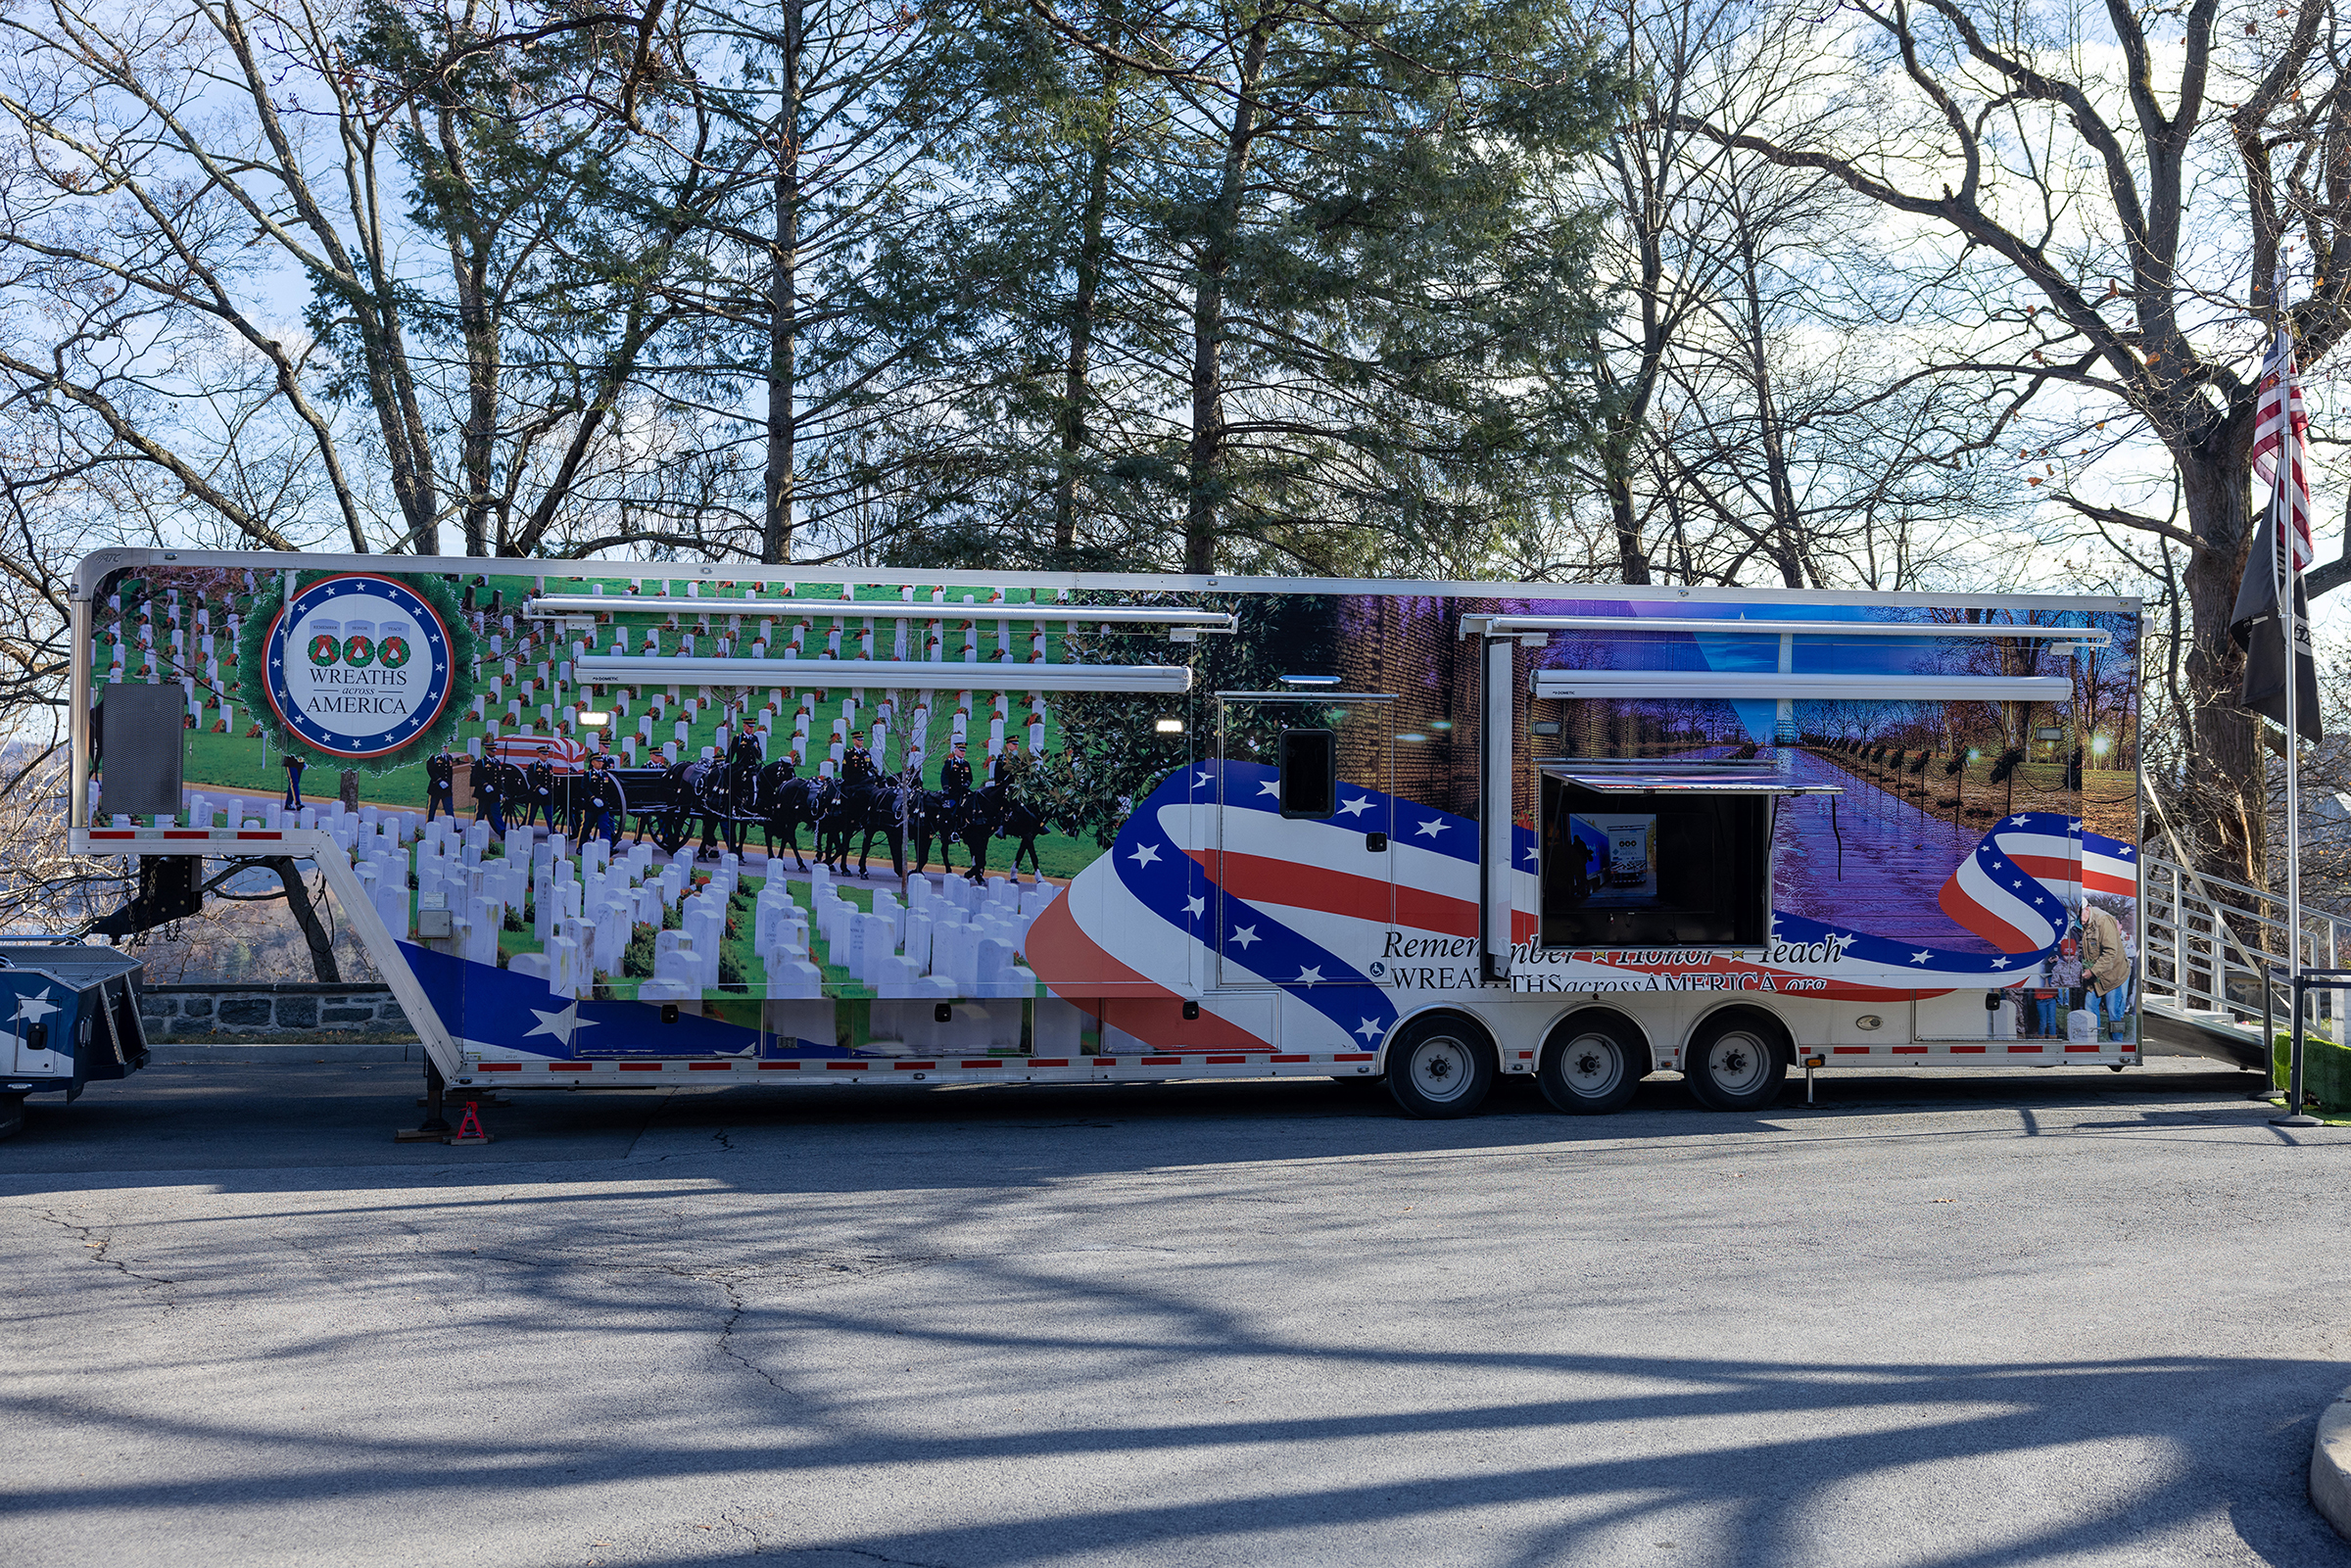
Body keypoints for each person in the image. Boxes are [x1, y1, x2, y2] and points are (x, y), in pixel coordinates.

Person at [425, 747, 456, 823]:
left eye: (447, 747)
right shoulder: (434, 757)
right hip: (436, 787)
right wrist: (439, 781)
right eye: (444, 746)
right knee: (432, 808)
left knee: (449, 808)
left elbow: (449, 773)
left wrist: (449, 785)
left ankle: (453, 826)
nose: (445, 748)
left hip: (446, 788)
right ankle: (429, 823)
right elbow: (430, 769)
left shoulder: (449, 757)